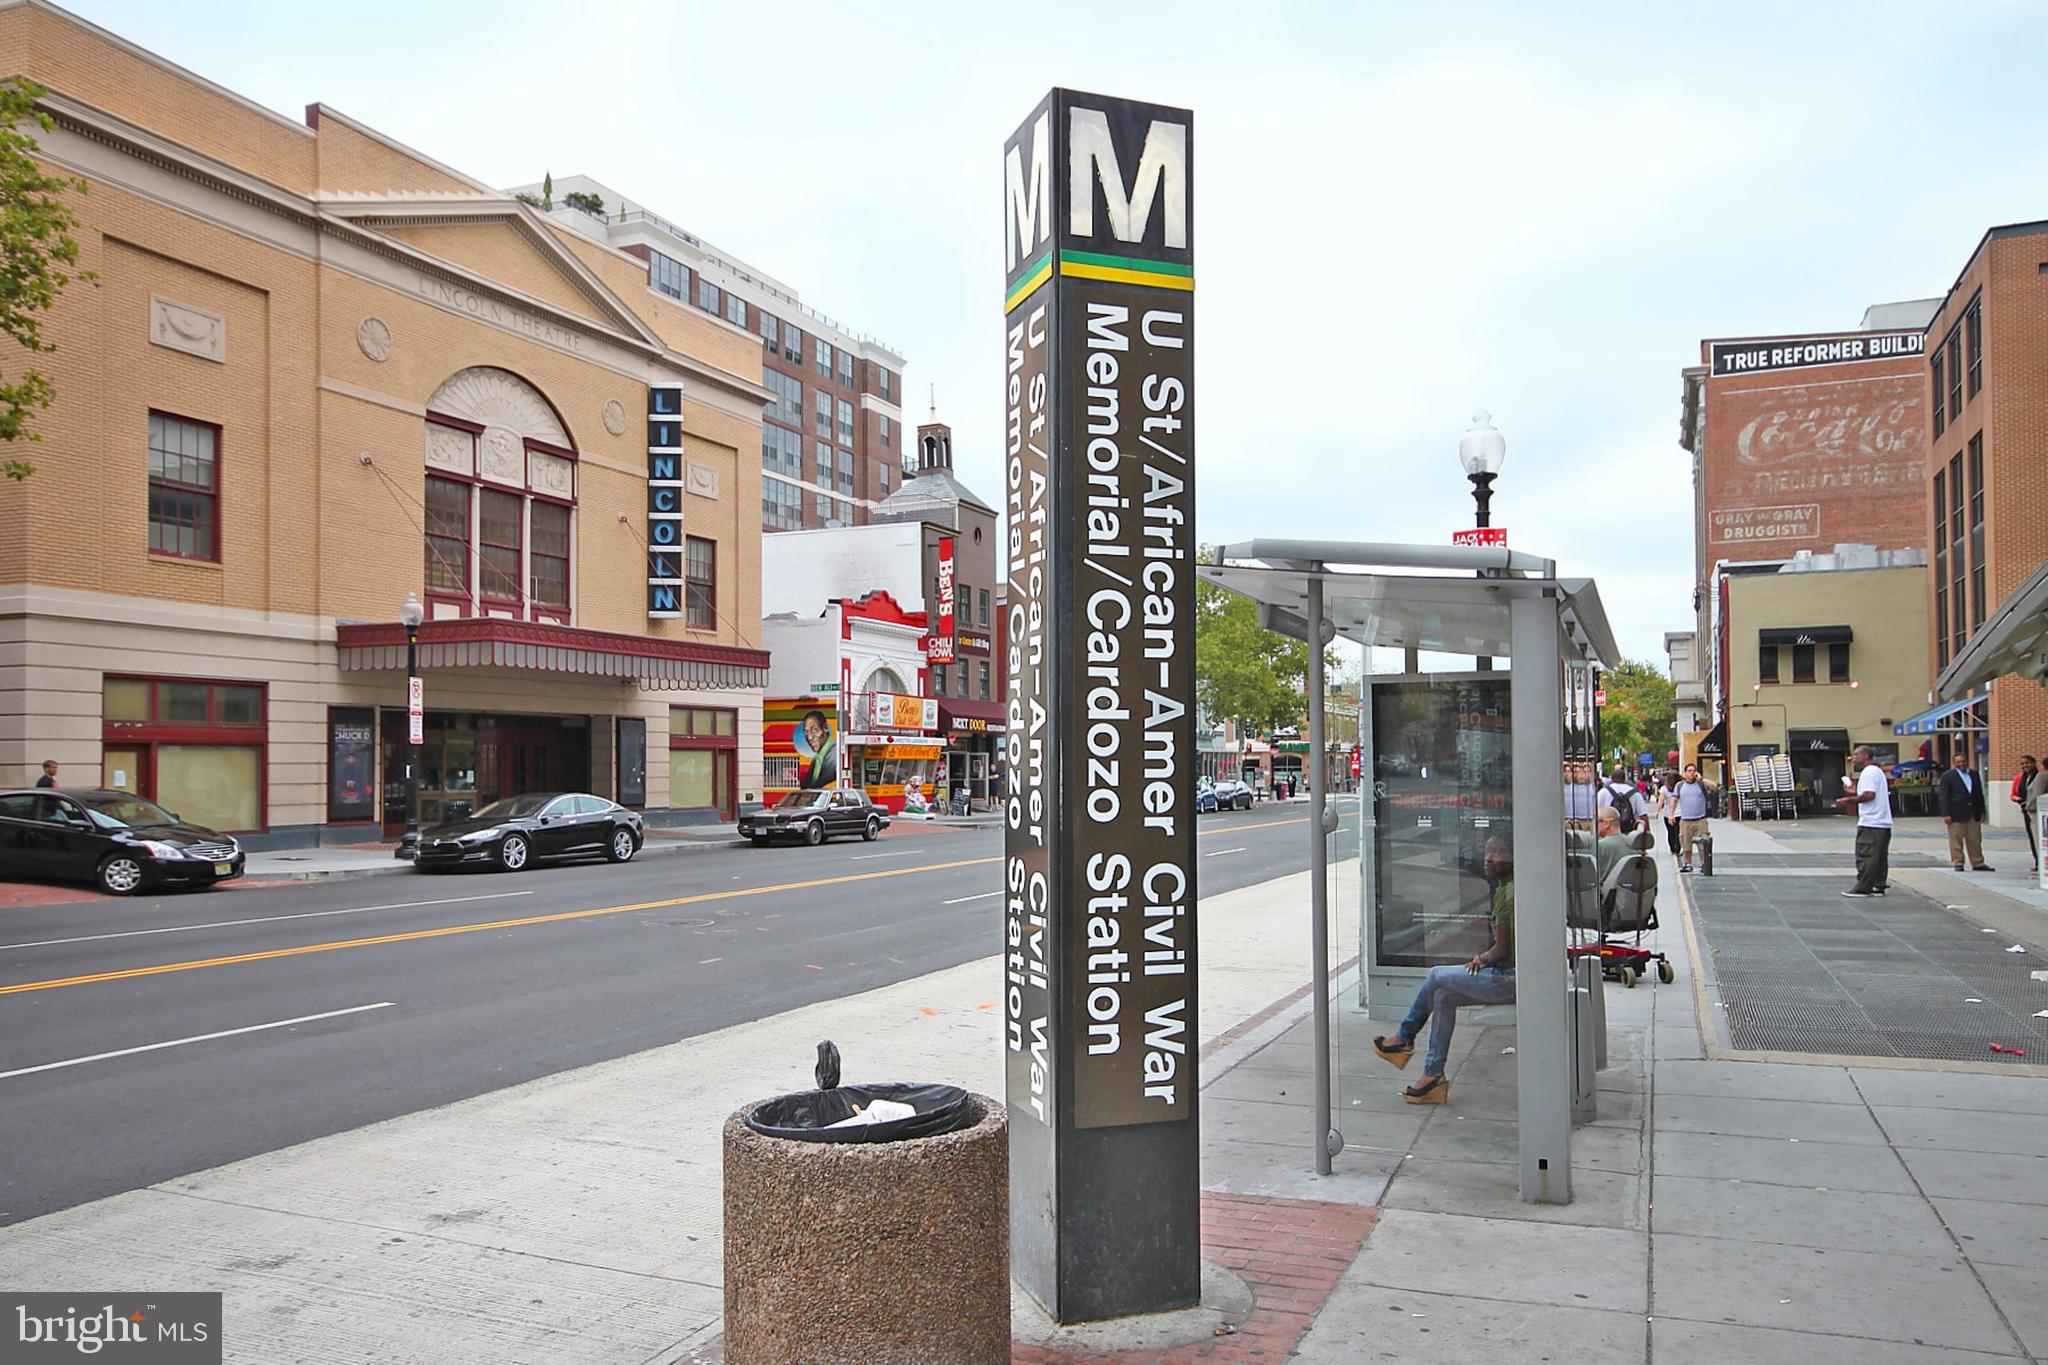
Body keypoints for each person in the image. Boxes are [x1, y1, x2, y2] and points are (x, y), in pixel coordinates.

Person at [1370, 836, 1514, 1104]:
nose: (1488, 857)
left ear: (1512, 857)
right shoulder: (1508, 887)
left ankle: (1404, 1037)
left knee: (1436, 975)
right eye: (1487, 851)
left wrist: (1481, 958)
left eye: (1497, 852)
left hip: (1511, 980)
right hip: (1512, 976)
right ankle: (1433, 1076)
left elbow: (1502, 950)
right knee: (1443, 996)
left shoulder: (1508, 894)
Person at [1837, 744, 1893, 896]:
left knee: (1866, 855)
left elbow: (1869, 795)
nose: (1852, 758)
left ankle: (1863, 887)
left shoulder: (1868, 772)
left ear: (1866, 756)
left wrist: (1848, 800)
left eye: (1856, 755)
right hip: (1883, 821)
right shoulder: (1878, 772)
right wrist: (1853, 792)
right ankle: (1878, 885)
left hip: (1871, 821)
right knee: (1880, 857)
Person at [1936, 749, 1993, 872]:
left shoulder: (1974, 774)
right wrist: (1946, 813)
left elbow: (1979, 793)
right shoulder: (1948, 776)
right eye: (1958, 762)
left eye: (1963, 761)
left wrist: (1982, 810)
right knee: (1956, 840)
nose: (1961, 763)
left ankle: (1978, 863)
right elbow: (1944, 796)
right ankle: (1958, 862)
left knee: (1975, 840)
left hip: (1973, 812)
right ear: (1954, 763)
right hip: (1955, 813)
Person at [1674, 763, 1715, 872]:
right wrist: (1670, 814)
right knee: (1686, 844)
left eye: (1693, 771)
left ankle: (1703, 864)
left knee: (1703, 845)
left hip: (1700, 819)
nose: (1692, 773)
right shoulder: (1680, 785)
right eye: (1689, 771)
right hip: (1685, 820)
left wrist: (1702, 779)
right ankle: (1687, 864)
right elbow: (1674, 800)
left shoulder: (1701, 784)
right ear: (1685, 773)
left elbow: (1713, 786)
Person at [1597, 763, 1651, 837]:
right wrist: (1647, 833)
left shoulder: (1603, 792)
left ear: (1612, 779)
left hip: (1608, 830)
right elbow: (1643, 815)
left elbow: (1596, 812)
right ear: (1624, 779)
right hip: (1629, 831)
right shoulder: (1634, 793)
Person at [798, 710, 838, 789]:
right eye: (806, 732)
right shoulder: (816, 759)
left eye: (814, 730)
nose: (809, 737)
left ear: (825, 728)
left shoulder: (834, 755)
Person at [2014, 756, 2040, 871]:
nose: (2025, 766)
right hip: (2026, 810)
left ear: (2034, 763)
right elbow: (2014, 793)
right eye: (2022, 764)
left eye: (2027, 763)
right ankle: (2037, 861)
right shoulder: (2021, 778)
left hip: (2038, 811)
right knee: (2032, 836)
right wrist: (2018, 799)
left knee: (2039, 836)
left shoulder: (2039, 777)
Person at [1658, 770, 1684, 859]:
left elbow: (1661, 801)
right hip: (1681, 813)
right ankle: (1678, 847)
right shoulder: (1682, 787)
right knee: (1678, 831)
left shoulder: (1664, 789)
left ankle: (1673, 848)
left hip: (1668, 814)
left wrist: (1657, 811)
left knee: (1670, 832)